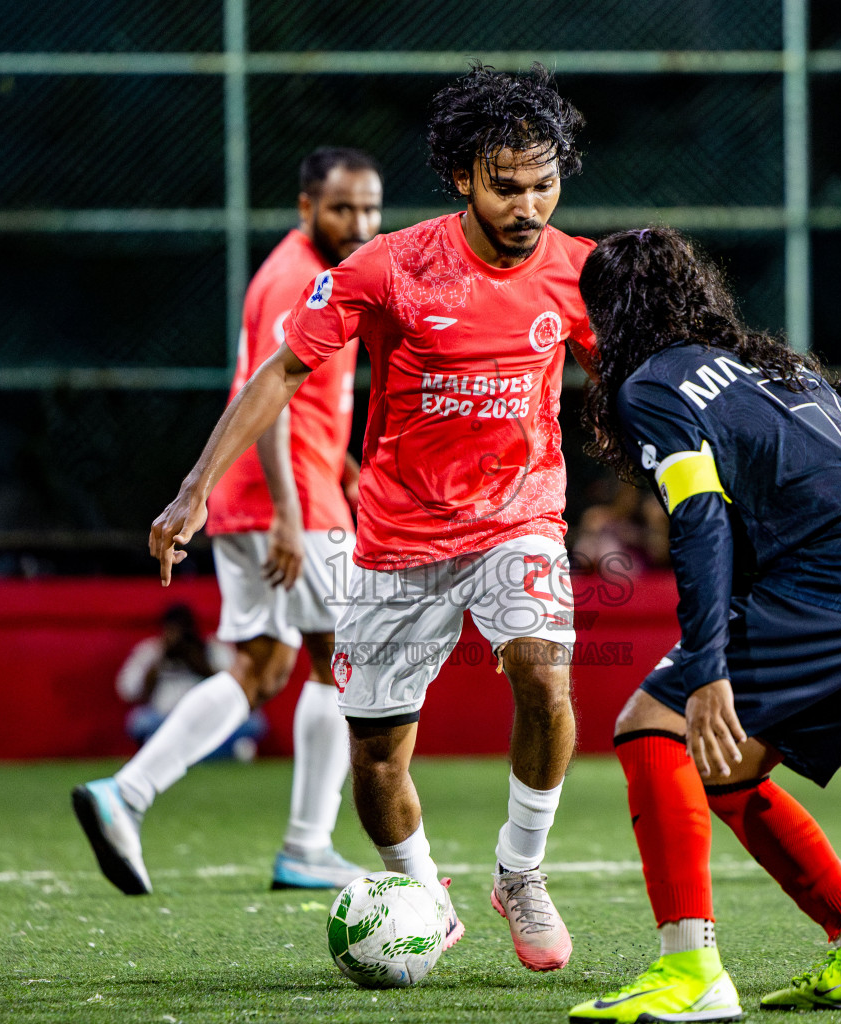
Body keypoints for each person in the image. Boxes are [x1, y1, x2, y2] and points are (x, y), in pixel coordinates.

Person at [142, 64, 594, 971]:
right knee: (378, 759)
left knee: (545, 677)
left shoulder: (579, 272)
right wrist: (194, 488)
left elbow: (634, 379)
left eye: (544, 184)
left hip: (521, 515)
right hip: (398, 537)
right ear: (463, 176)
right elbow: (279, 372)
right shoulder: (389, 267)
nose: (529, 205)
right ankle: (422, 890)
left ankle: (521, 870)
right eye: (507, 185)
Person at [568, 229, 841, 1022]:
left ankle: (691, 970)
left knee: (652, 725)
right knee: (726, 768)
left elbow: (701, 520)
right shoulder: (775, 366)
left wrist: (706, 666)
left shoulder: (654, 385)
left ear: (611, 315)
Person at [74, 147, 384, 894]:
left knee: (263, 664)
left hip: (273, 493)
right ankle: (305, 843)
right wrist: (287, 509)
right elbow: (267, 389)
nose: (361, 222)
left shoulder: (305, 270)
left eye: (371, 207)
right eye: (343, 207)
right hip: (289, 502)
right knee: (347, 663)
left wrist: (331, 467)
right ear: (307, 208)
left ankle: (127, 795)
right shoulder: (295, 276)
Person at [115, 603, 240, 747]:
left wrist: (200, 664)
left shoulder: (212, 650)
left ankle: (165, 751)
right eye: (171, 630)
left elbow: (234, 689)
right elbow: (127, 691)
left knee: (251, 723)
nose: (177, 637)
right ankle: (214, 752)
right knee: (139, 722)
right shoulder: (152, 651)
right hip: (164, 719)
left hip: (205, 720)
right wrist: (159, 662)